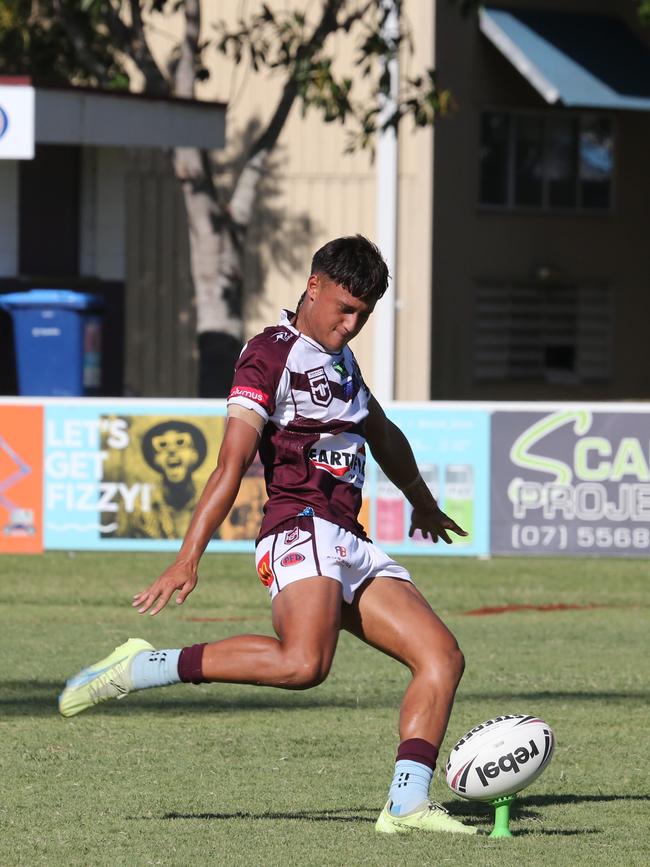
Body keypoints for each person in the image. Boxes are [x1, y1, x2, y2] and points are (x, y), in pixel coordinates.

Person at [59, 235, 477, 836]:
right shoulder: (267, 355)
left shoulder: (340, 359)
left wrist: (423, 502)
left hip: (348, 539)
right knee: (304, 664)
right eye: (345, 308)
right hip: (298, 528)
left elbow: (381, 431)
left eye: (364, 314)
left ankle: (407, 805)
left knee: (441, 656)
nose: (352, 324)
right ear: (313, 286)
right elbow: (231, 464)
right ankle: (145, 665)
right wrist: (187, 558)